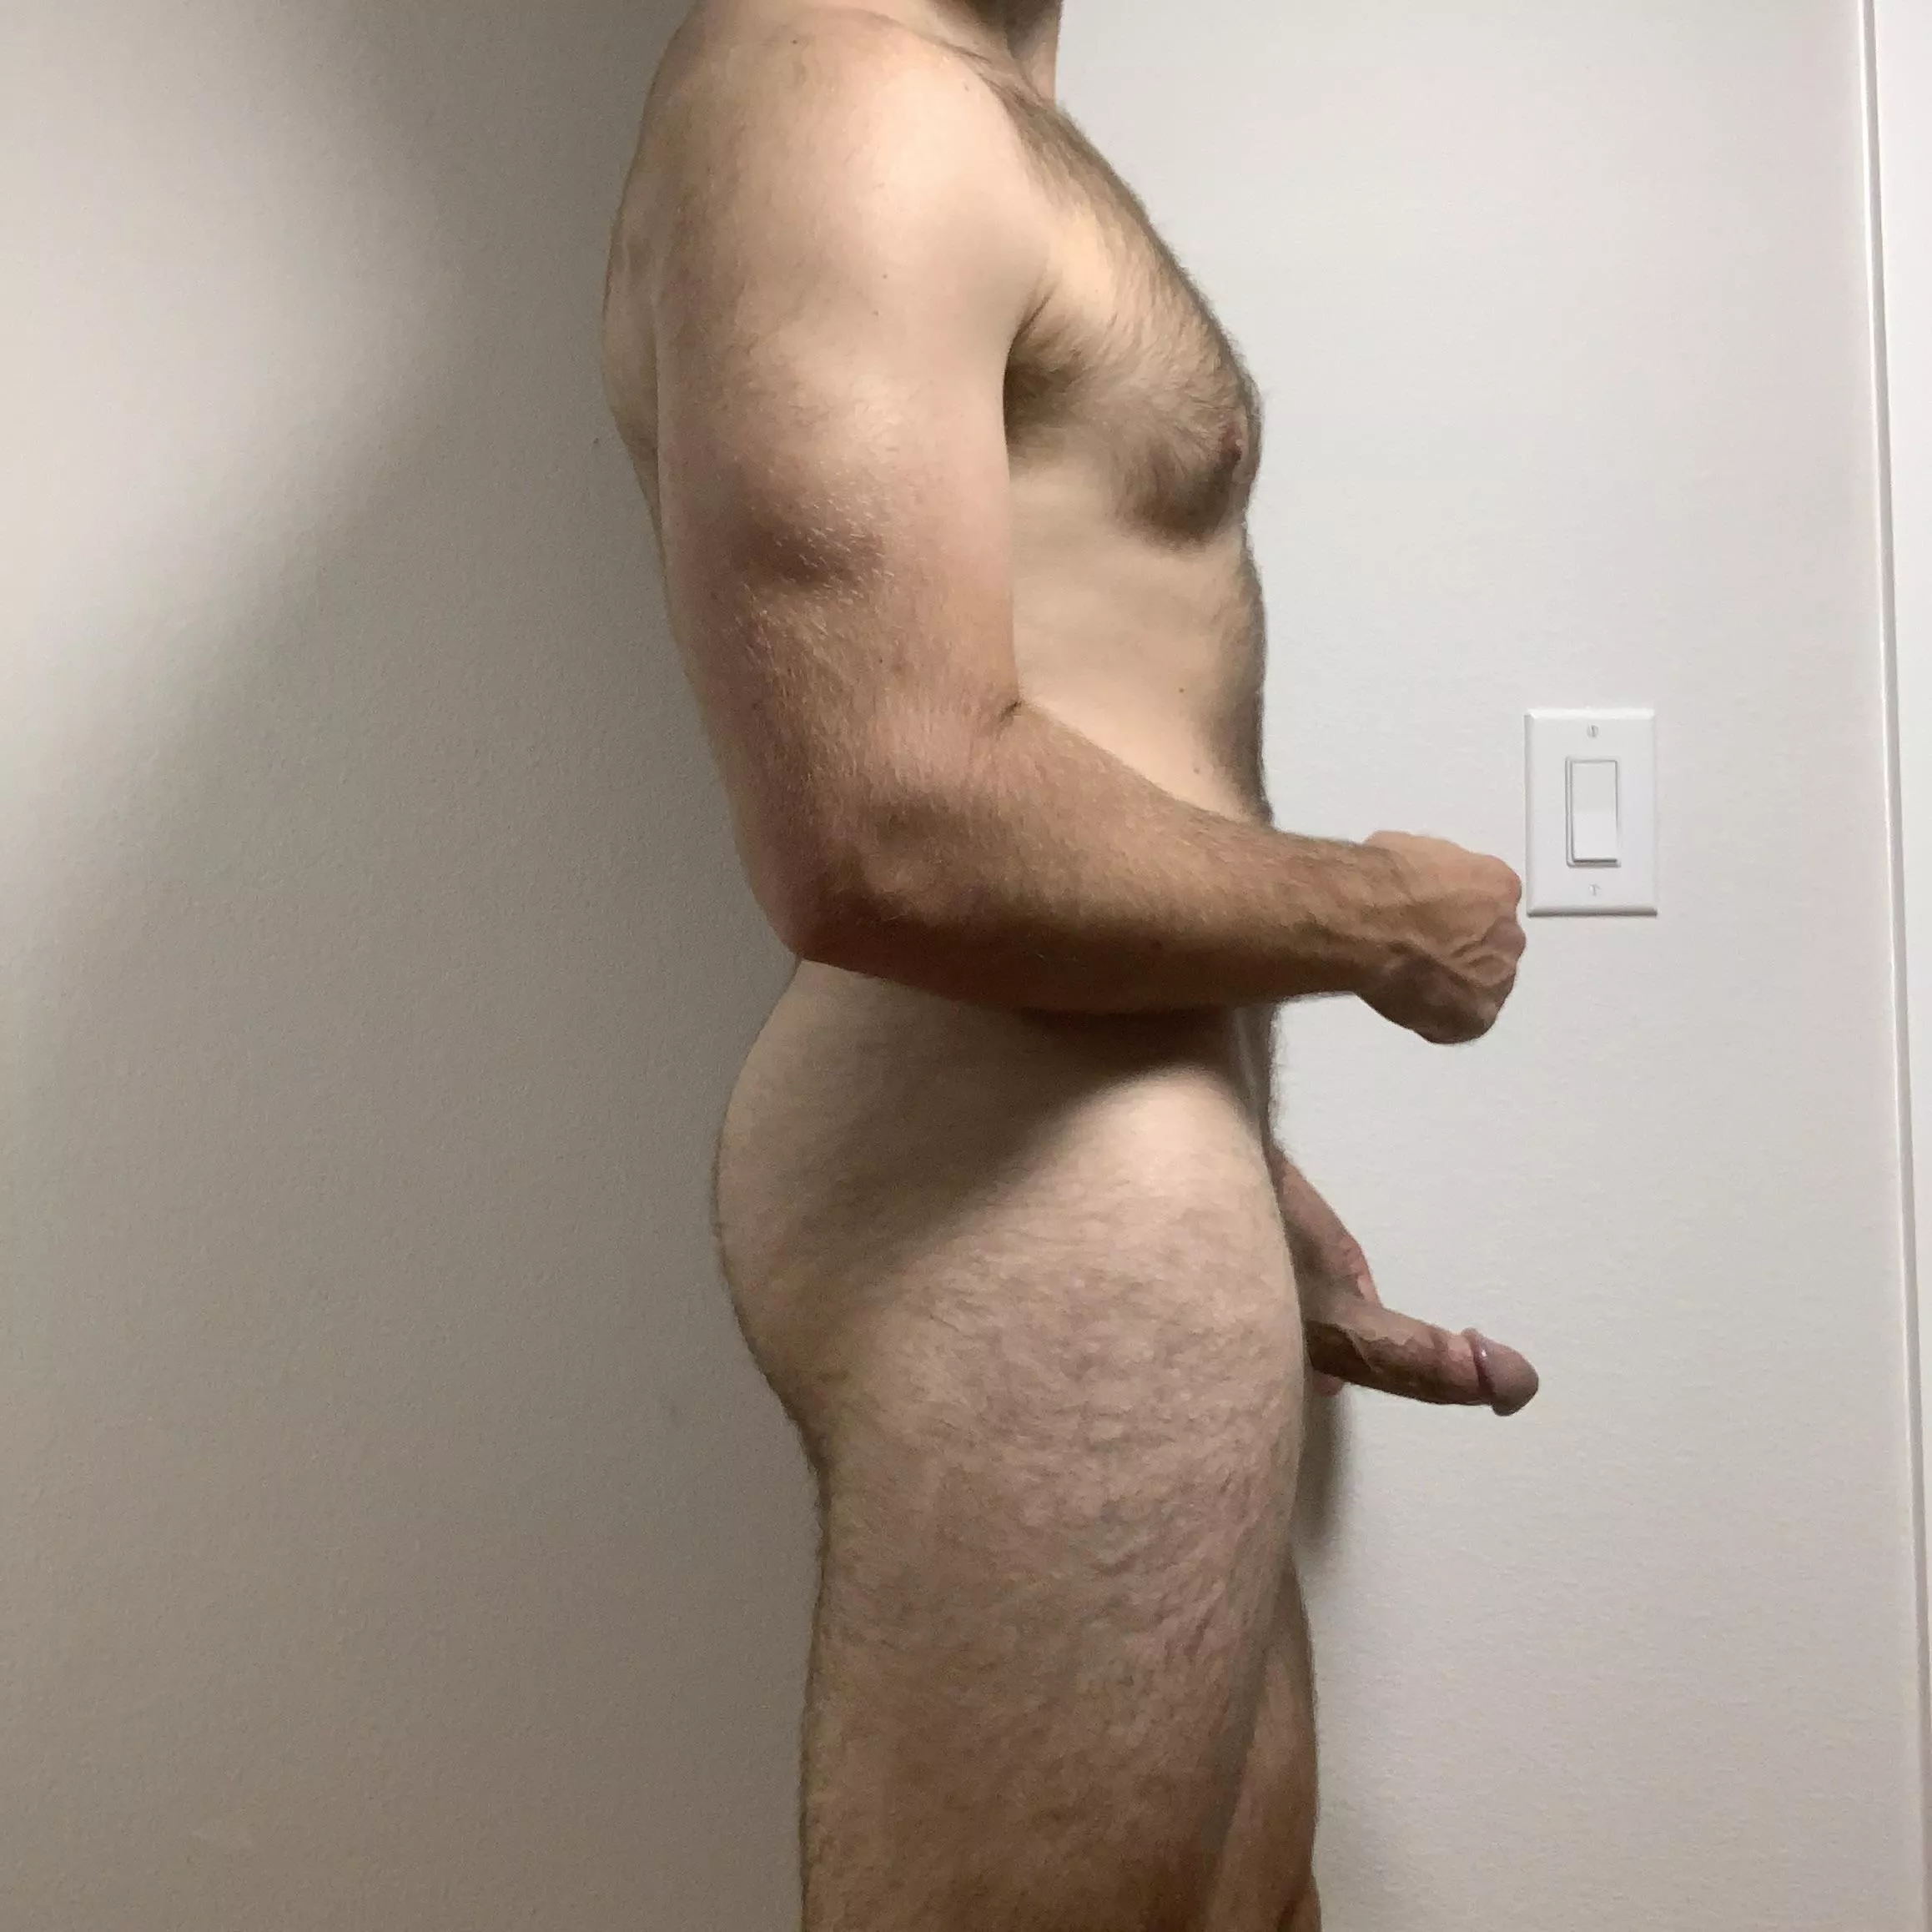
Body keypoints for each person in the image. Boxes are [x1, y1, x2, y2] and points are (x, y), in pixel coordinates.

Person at [602, 2, 1535, 1924]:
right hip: (1021, 1208)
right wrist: (1382, 918)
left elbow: (1074, 714)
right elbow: (884, 820)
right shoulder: (839, 90)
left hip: (1096, 1173)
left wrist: (1232, 1148)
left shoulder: (972, 104)